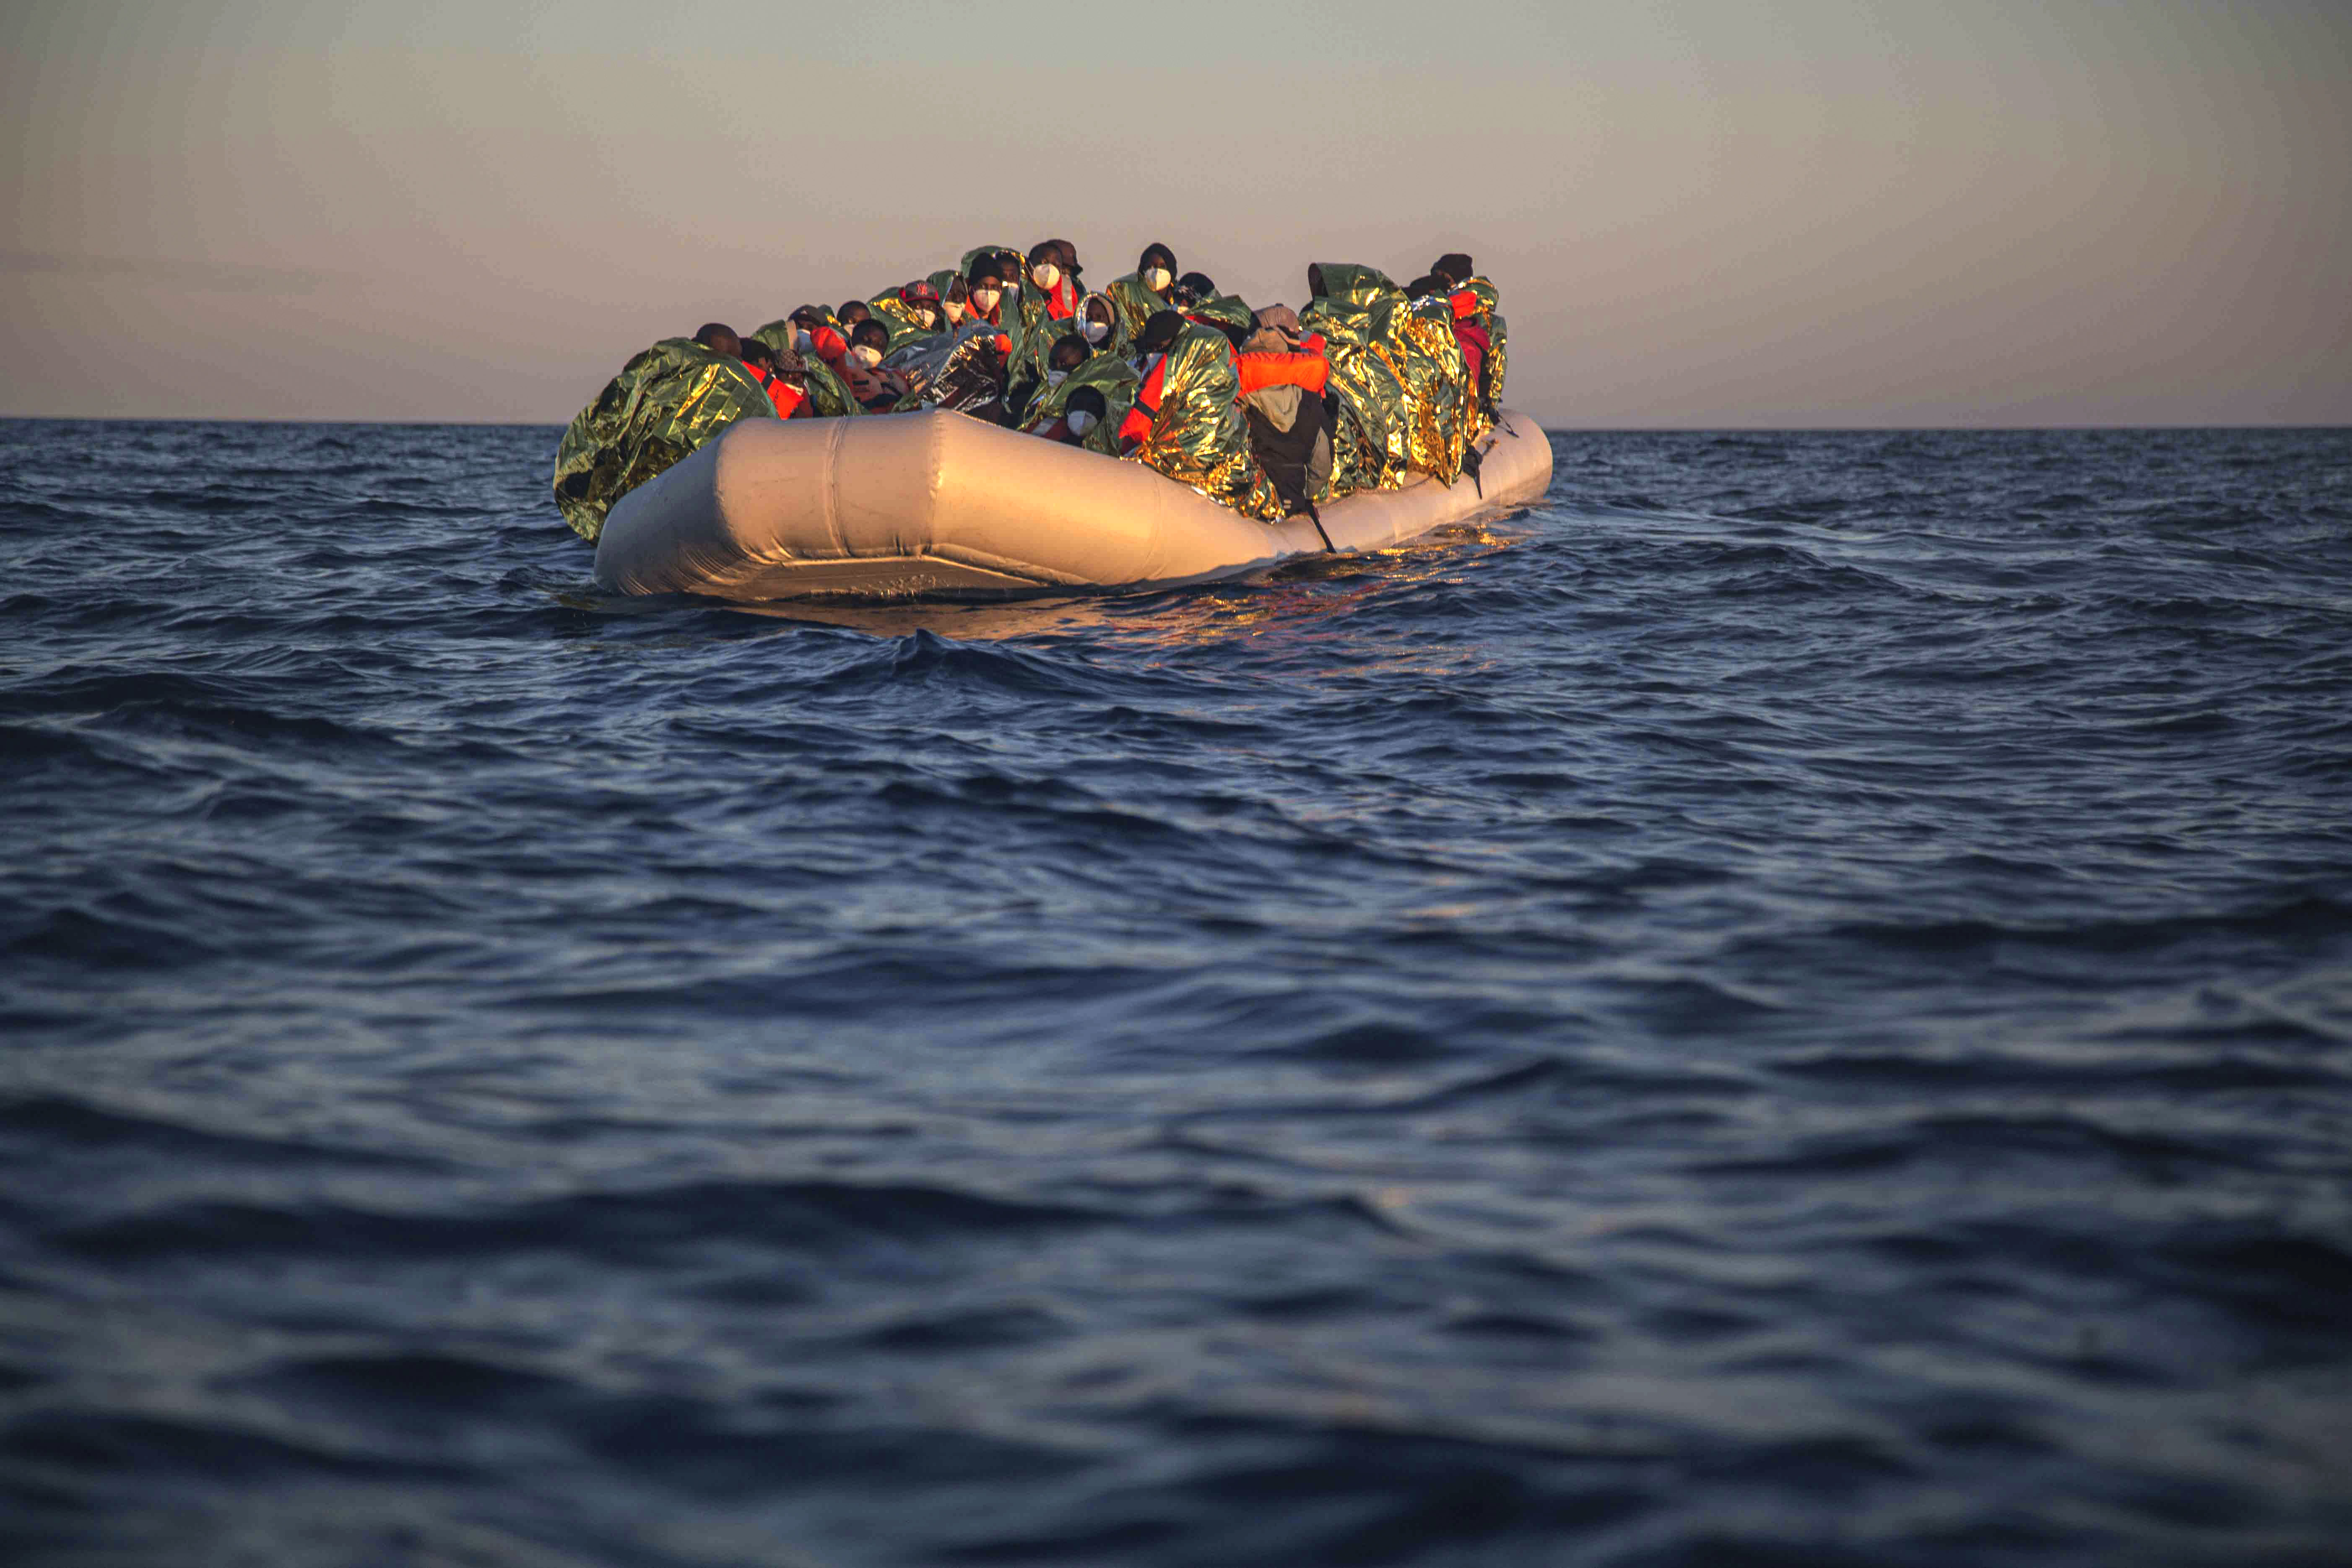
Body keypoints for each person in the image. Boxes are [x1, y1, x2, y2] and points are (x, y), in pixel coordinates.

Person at [1115, 310, 1283, 521]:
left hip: (1223, 480)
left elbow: (1200, 443)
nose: (1153, 355)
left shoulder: (1197, 367)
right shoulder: (1155, 377)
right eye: (1151, 349)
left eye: (1159, 348)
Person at [1106, 243, 1177, 342]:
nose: (1156, 272)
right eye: (1150, 267)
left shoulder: (1182, 297)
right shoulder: (1126, 292)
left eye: (1162, 266)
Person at [842, 318, 913, 411]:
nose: (870, 347)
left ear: (883, 355)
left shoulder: (895, 378)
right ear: (851, 341)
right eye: (865, 341)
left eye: (879, 346)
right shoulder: (836, 366)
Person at [737, 337, 815, 419]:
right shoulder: (753, 393)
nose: (799, 380)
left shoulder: (802, 395)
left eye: (802, 375)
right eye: (790, 373)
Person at [1032, 385, 1107, 446]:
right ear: (1067, 411)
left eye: (1092, 408)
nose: (1083, 416)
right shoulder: (1048, 426)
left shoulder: (1106, 442)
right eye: (1078, 405)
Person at [1028, 241, 1078, 321]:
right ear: (1030, 263)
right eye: (1044, 262)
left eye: (1056, 266)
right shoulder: (1018, 288)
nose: (1050, 269)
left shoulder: (1068, 288)